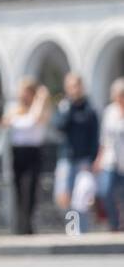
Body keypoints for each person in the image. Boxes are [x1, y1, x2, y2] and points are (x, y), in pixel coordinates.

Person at [0, 77, 53, 235]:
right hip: (17, 152)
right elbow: (5, 123)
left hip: (33, 152)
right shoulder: (15, 109)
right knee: (17, 188)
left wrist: (41, 98)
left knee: (29, 188)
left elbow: (34, 120)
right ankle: (18, 225)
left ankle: (28, 225)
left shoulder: (40, 109)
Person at [52, 72, 99, 232]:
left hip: (84, 160)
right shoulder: (64, 107)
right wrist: (69, 106)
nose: (74, 90)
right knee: (63, 196)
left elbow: (95, 136)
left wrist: (92, 160)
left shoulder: (89, 109)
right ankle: (71, 229)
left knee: (82, 198)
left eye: (77, 86)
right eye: (71, 86)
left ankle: (81, 232)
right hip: (66, 158)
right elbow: (59, 125)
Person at [94, 78, 124, 232]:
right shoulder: (110, 111)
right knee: (106, 191)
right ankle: (114, 222)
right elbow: (104, 137)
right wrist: (99, 158)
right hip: (111, 159)